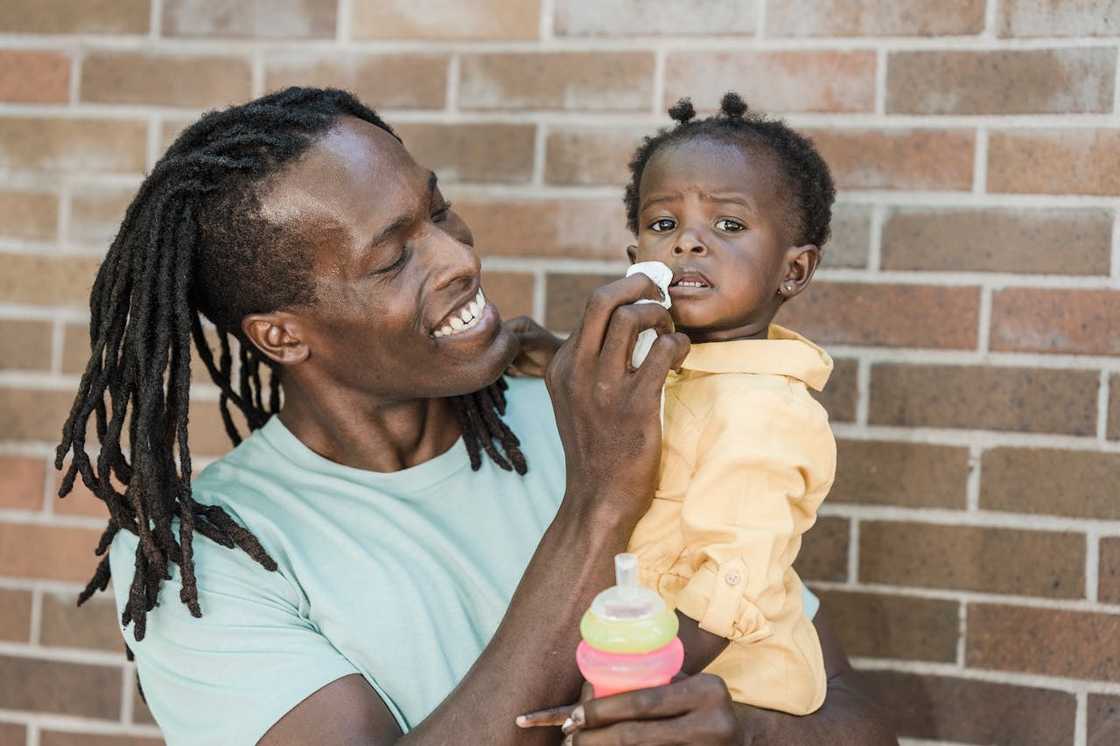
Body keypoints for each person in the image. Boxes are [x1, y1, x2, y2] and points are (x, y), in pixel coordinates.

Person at [56, 87, 896, 745]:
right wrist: (601, 500)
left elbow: (854, 715)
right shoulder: (209, 556)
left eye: (440, 209)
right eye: (394, 257)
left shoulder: (595, 405)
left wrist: (745, 733)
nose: (460, 256)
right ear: (281, 334)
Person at [606, 92, 837, 716]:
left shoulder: (766, 413)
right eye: (663, 225)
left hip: (725, 688)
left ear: (793, 271)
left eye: (729, 225)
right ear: (637, 263)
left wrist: (635, 686)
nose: (688, 243)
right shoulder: (680, 368)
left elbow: (730, 579)